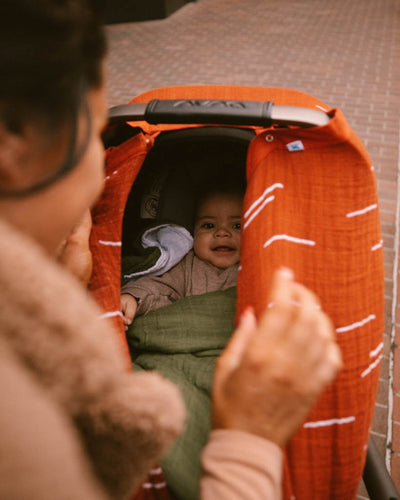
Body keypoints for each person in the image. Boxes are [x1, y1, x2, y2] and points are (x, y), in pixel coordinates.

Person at [0, 2, 342, 500]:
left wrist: (70, 287)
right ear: (16, 146)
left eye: (236, 225)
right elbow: (155, 286)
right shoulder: (23, 438)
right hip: (187, 357)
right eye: (96, 134)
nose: (103, 163)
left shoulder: (262, 261)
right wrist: (247, 437)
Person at [120, 183, 243, 327]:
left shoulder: (258, 266)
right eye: (209, 225)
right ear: (193, 232)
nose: (222, 233)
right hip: (192, 335)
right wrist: (133, 297)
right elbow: (159, 288)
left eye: (237, 226)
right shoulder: (187, 266)